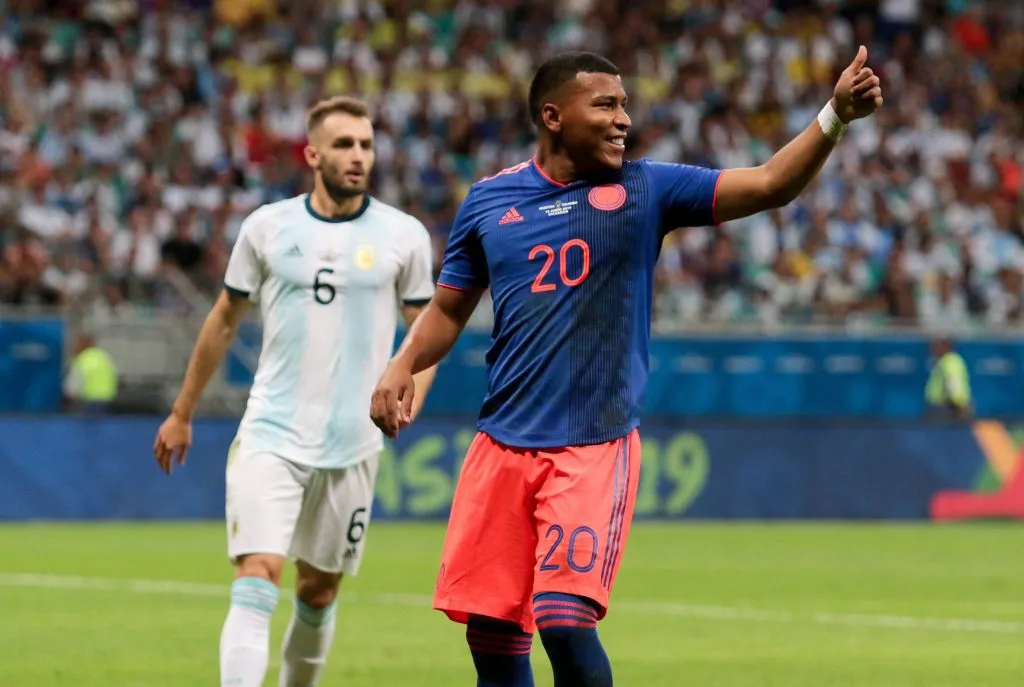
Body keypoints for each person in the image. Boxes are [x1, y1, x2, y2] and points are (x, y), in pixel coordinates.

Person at [371, 49, 882, 686]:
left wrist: (835, 114)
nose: (624, 120)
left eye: (625, 105)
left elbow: (772, 182)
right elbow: (448, 310)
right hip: (500, 447)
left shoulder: (647, 189)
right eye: (606, 105)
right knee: (493, 638)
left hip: (591, 445)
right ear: (554, 116)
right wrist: (403, 362)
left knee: (562, 620)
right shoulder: (488, 202)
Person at [153, 95, 438, 687]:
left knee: (318, 590)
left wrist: (413, 389)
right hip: (272, 434)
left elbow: (427, 332)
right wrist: (182, 412)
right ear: (313, 154)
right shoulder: (267, 227)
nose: (358, 156)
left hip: (354, 443)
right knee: (257, 576)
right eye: (343, 144)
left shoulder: (403, 236)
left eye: (365, 144)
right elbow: (224, 319)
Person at [925, 336, 973, 419]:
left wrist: (956, 404)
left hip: (949, 407)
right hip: (945, 406)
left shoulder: (950, 362)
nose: (933, 349)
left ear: (945, 347)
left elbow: (953, 381)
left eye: (936, 346)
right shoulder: (943, 361)